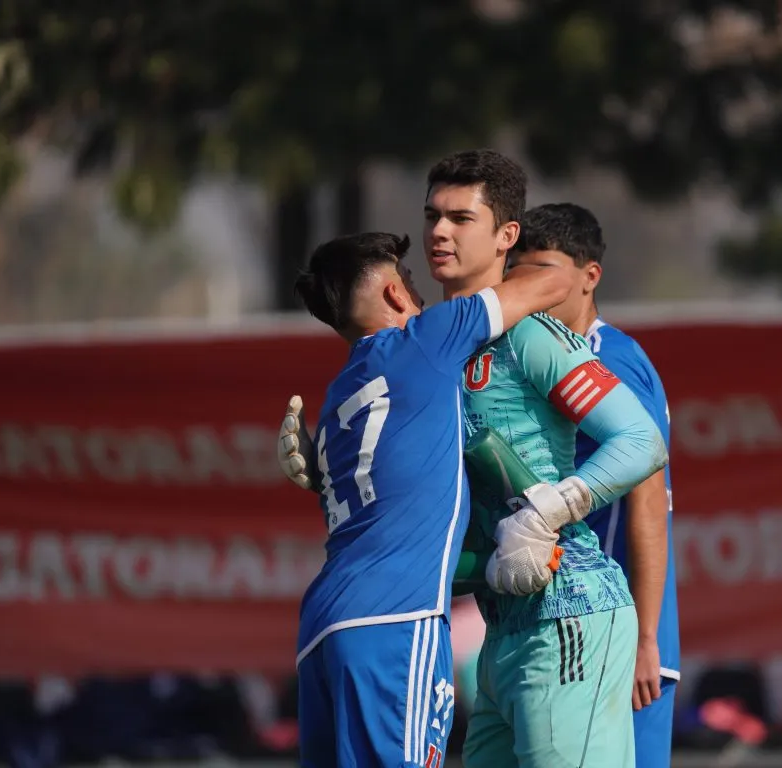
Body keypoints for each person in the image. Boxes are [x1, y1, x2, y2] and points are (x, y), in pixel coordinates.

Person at [282, 231, 571, 768]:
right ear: (395, 295)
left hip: (323, 627)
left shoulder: (340, 398)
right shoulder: (425, 339)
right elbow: (555, 281)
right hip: (395, 622)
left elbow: (402, 531)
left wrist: (491, 565)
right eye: (412, 282)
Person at [422, 149, 668, 768]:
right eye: (431, 216)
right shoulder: (429, 347)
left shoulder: (531, 336)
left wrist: (548, 510)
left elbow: (642, 443)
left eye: (459, 218)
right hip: (497, 632)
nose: (438, 232)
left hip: (570, 619)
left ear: (506, 236)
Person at [509, 203, 680, 768]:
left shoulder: (612, 361)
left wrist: (647, 640)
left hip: (619, 631)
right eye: (522, 272)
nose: (534, 286)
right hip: (578, 624)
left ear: (589, 275)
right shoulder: (546, 356)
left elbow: (649, 501)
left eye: (547, 270)